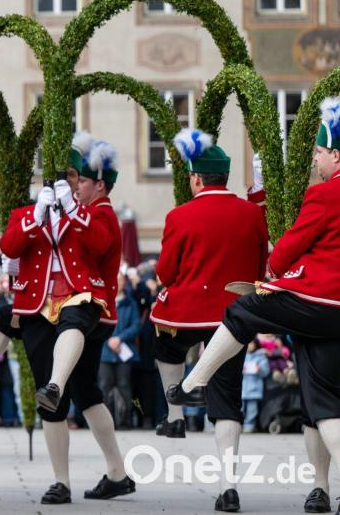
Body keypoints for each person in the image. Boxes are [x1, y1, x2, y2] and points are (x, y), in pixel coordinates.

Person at [0, 132, 134, 503]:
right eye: (64, 178)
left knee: (70, 372)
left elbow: (100, 245)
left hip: (83, 304)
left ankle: (43, 387)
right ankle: (76, 478)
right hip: (36, 307)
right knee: (84, 393)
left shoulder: (95, 214)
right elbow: (8, 247)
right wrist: (36, 215)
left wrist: (72, 209)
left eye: (76, 178)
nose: (70, 184)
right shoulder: (31, 212)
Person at [167, 100, 340, 514]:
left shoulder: (325, 194)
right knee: (325, 403)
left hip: (318, 297)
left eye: (320, 152)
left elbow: (281, 257)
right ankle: (321, 488)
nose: (316, 159)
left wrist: (283, 261)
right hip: (326, 306)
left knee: (242, 311)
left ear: (336, 154)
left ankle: (193, 383)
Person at [151, 128, 268, 511]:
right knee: (227, 399)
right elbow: (258, 268)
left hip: (187, 313)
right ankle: (229, 486)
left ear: (197, 178)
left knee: (164, 346)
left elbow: (166, 272)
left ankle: (175, 415)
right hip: (232, 317)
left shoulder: (180, 215)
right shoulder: (252, 214)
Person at [98, 272, 140, 429]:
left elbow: (136, 325)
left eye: (121, 280)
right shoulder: (103, 301)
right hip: (104, 352)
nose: (118, 283)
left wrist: (120, 338)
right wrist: (109, 339)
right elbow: (96, 323)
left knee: (124, 385)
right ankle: (105, 422)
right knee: (104, 385)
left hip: (124, 352)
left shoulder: (130, 303)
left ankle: (125, 420)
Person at [241, 339, 269, 433]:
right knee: (240, 407)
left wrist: (259, 369)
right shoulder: (241, 355)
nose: (249, 346)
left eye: (251, 343)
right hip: (242, 387)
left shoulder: (261, 357)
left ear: (256, 345)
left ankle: (249, 425)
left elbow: (266, 372)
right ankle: (239, 424)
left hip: (254, 387)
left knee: (252, 409)